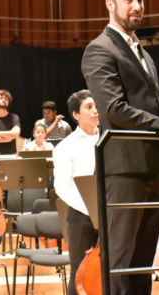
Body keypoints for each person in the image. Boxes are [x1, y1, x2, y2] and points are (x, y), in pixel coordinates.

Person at [81, 0, 159, 295]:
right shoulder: (99, 49)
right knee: (121, 260)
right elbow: (113, 109)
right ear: (110, 4)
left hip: (152, 167)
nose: (137, 6)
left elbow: (157, 100)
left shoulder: (142, 50)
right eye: (129, 0)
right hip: (123, 170)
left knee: (144, 262)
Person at [52, 90, 100, 295]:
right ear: (76, 115)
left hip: (110, 214)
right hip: (81, 216)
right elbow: (62, 186)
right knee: (79, 271)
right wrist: (90, 208)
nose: (96, 110)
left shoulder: (111, 138)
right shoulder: (65, 146)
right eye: (89, 107)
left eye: (96, 105)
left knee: (109, 270)